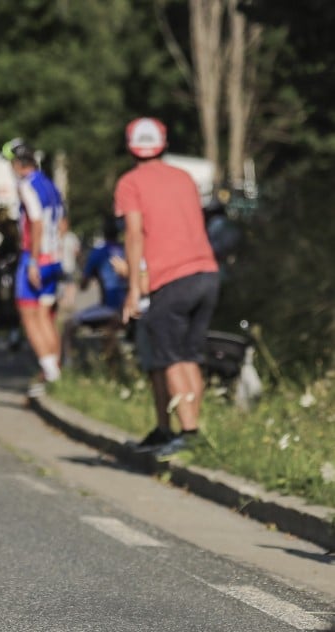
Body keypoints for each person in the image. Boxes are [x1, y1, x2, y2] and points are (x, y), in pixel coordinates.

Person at [116, 117, 220, 459]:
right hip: (206, 272)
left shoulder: (130, 182)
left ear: (131, 145)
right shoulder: (185, 177)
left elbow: (134, 234)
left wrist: (133, 288)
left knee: (170, 357)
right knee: (190, 356)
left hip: (170, 279)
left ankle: (189, 434)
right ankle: (184, 432)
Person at [3, 138, 66, 387]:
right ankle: (55, 371)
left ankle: (50, 372)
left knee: (29, 315)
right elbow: (62, 223)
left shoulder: (26, 185)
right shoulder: (49, 183)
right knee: (45, 316)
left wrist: (34, 261)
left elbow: (36, 222)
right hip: (54, 257)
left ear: (18, 163)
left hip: (35, 256)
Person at [60, 214, 128, 368]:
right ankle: (113, 368)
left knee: (69, 325)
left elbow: (84, 285)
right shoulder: (127, 249)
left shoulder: (99, 253)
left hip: (110, 308)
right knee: (109, 331)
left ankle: (67, 366)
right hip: (130, 307)